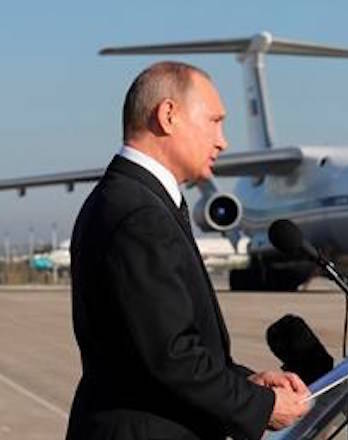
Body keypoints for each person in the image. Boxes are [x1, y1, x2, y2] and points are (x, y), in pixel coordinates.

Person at [66, 62, 309, 440]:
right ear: (168, 116)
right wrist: (262, 406)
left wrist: (248, 383)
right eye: (214, 121)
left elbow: (161, 346)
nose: (222, 141)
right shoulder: (138, 212)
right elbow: (171, 356)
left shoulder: (135, 198)